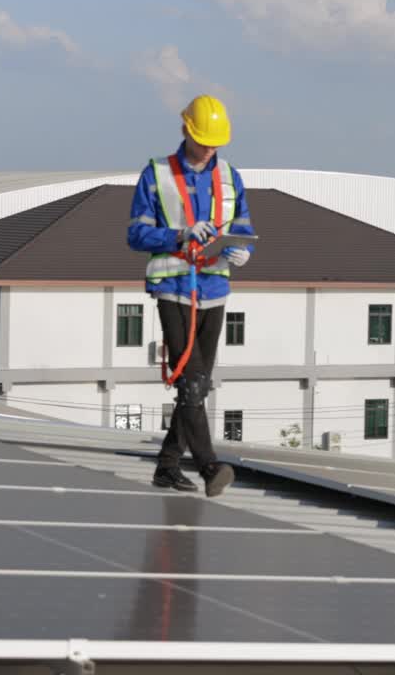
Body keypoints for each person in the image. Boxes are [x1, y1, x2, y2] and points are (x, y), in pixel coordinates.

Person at [126, 94, 255, 497]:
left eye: (216, 143)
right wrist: (178, 234)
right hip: (174, 289)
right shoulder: (156, 175)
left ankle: (167, 466)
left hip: (214, 289)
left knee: (196, 384)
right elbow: (135, 234)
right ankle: (209, 466)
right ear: (186, 131)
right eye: (204, 141)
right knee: (193, 383)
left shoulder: (231, 177)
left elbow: (244, 226)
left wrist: (242, 250)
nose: (209, 150)